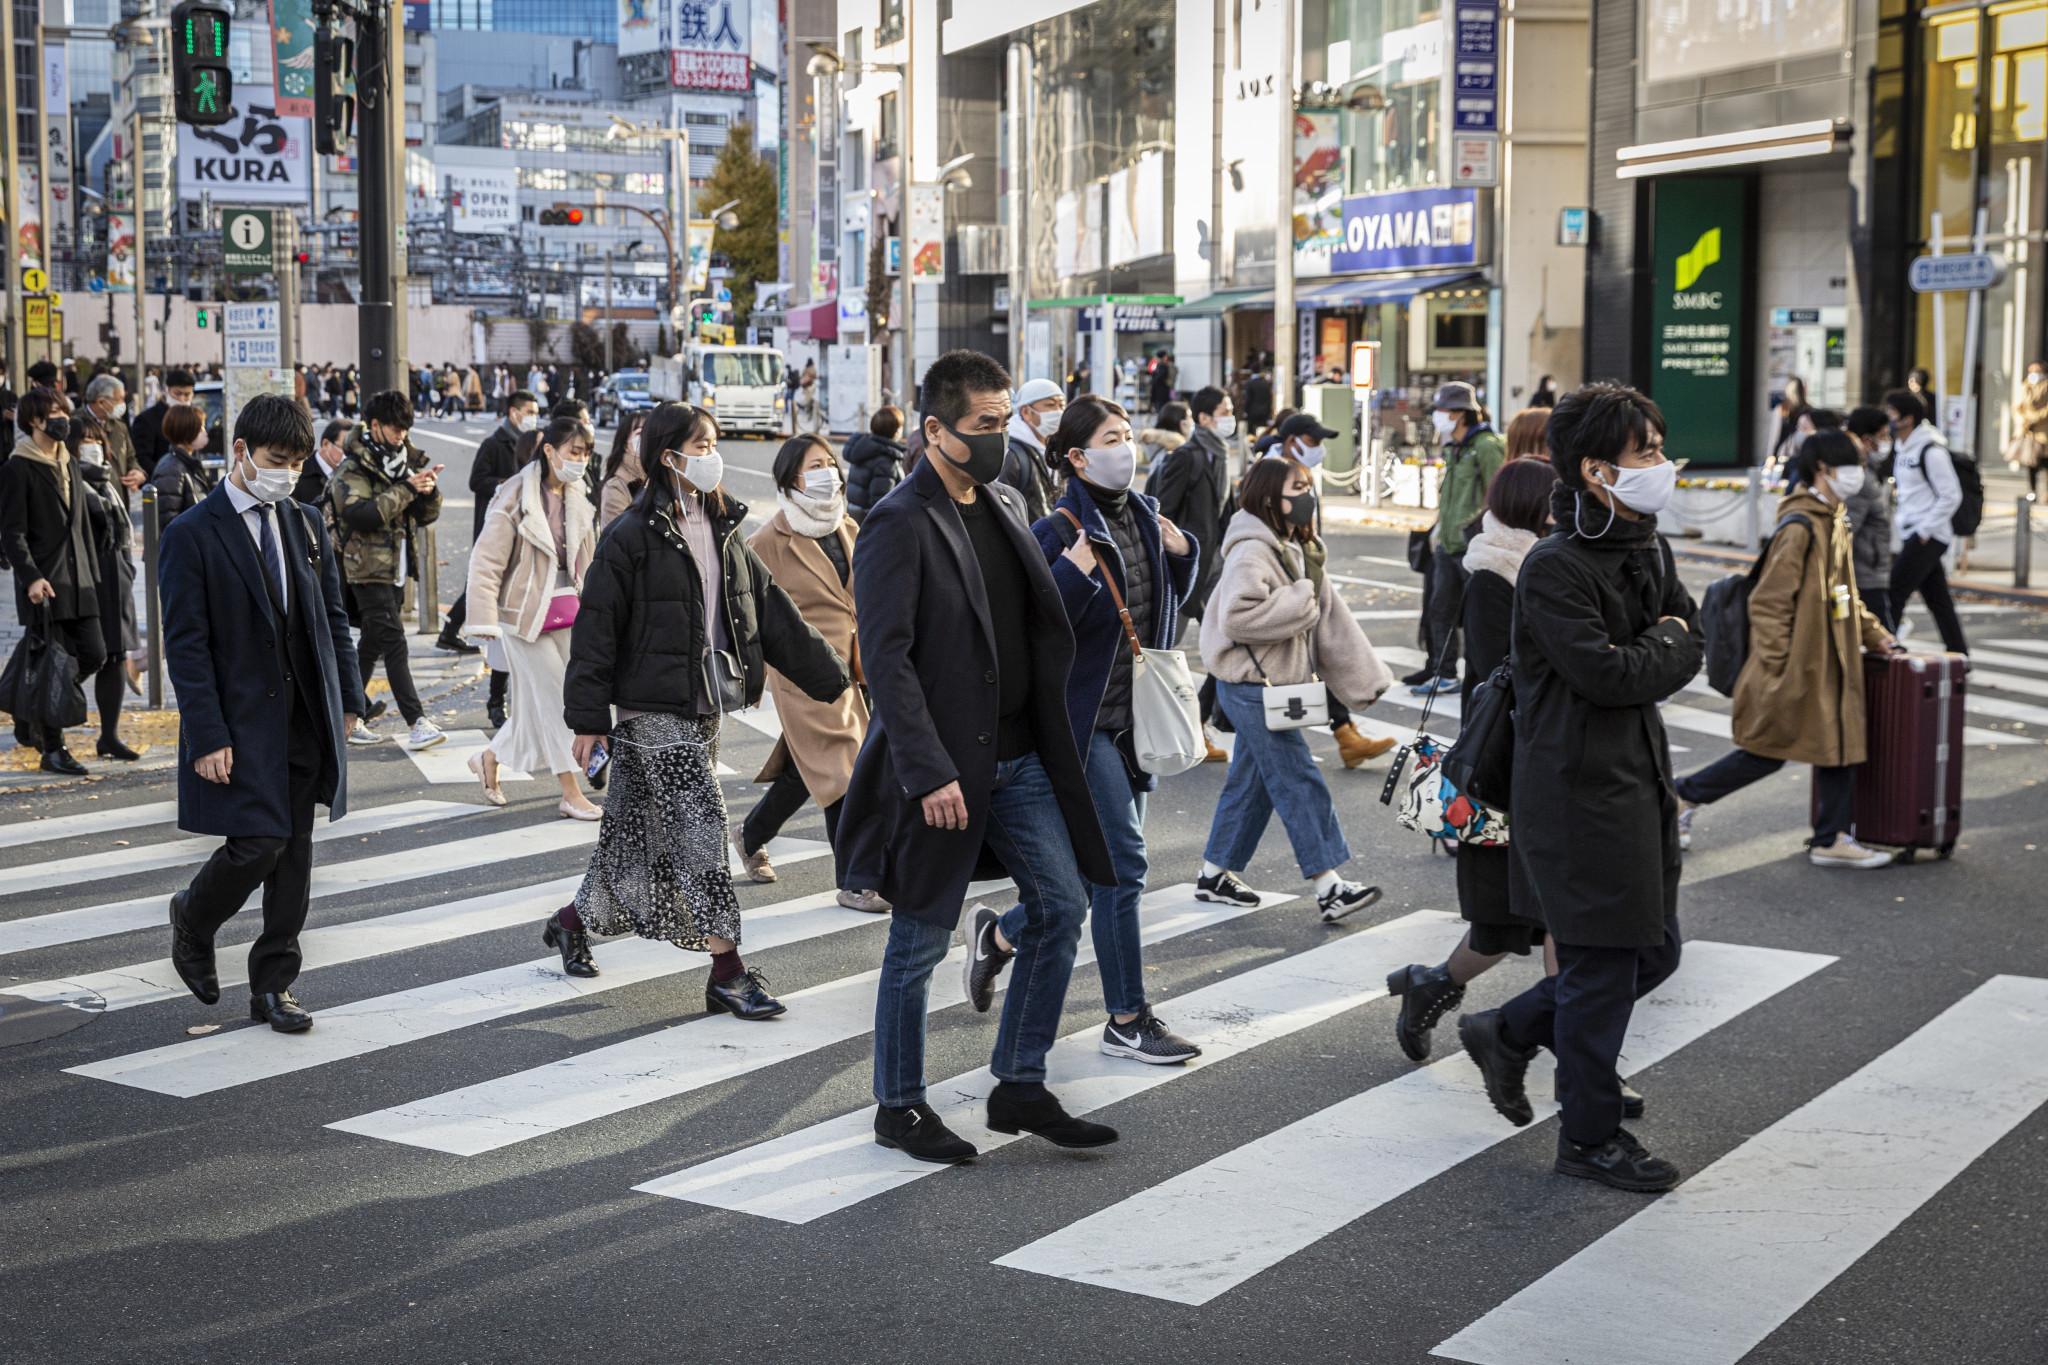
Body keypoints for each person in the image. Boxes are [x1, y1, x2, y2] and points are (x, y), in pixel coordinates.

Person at [837, 348, 1117, 1165]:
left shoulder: (998, 501)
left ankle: (1018, 1081)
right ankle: (899, 1104)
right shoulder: (897, 520)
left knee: (1064, 905)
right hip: (947, 769)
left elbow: (1014, 624)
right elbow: (884, 660)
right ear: (935, 429)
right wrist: (927, 770)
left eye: (1005, 421)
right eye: (985, 425)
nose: (1001, 437)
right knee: (918, 942)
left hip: (1022, 756)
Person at [1456, 381, 1700, 1194]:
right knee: (1601, 965)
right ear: (1598, 470)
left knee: (1653, 949)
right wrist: (1656, 646)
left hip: (1638, 777)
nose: (1662, 464)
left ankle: (1511, 1025)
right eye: (1648, 452)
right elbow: (1607, 671)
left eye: (1660, 446)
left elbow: (1687, 640)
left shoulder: (1645, 545)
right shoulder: (1554, 567)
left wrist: (1657, 647)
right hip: (1574, 787)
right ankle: (1588, 1137)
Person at [548, 402, 850, 1018]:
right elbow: (596, 630)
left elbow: (769, 609)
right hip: (649, 712)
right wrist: (586, 720)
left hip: (705, 702)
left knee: (630, 839)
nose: (715, 456)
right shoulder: (630, 536)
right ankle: (727, 971)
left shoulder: (724, 527)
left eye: (714, 444)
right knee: (701, 827)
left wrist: (832, 678)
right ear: (669, 456)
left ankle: (571, 920)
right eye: (703, 445)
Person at [160, 395, 366, 1034]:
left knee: (295, 855)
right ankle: (193, 915)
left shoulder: (303, 522)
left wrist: (350, 699)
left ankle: (274, 986)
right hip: (241, 718)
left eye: (300, 462)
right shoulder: (191, 533)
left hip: (305, 715)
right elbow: (185, 645)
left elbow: (332, 617)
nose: (290, 473)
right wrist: (207, 733)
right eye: (279, 460)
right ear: (242, 451)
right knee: (260, 842)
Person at [1011, 395, 1203, 1063]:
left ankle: (1002, 936)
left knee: (1099, 870)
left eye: (1128, 435)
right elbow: (1026, 635)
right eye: (1112, 438)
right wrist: (1070, 577)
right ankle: (1127, 1017)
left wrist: (1183, 556)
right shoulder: (1055, 531)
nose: (1127, 449)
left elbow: (1166, 606)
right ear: (1076, 456)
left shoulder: (1147, 514)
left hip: (1134, 723)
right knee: (1123, 867)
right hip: (1082, 723)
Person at [1387, 460, 1580, 1060]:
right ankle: (1432, 985)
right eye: (1550, 498)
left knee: (1557, 921)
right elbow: (1509, 672)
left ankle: (1580, 1055)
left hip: (1545, 762)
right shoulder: (1496, 574)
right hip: (1504, 768)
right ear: (1530, 505)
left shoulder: (1543, 562)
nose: (1559, 508)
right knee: (1500, 928)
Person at [1674, 431, 1903, 868]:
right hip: (1799, 665)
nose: (1858, 472)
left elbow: (1842, 591)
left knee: (1838, 745)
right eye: (1851, 464)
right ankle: (1684, 795)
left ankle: (1829, 837)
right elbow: (1769, 602)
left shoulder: (1830, 518)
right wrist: (1777, 664)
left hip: (1824, 660)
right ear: (1823, 469)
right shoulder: (1801, 526)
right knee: (1768, 751)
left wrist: (1874, 634)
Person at [1194, 454, 1393, 923]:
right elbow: (1237, 617)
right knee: (1298, 777)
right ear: (1269, 499)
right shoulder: (1252, 550)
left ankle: (1213, 874)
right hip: (1250, 686)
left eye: (1308, 486)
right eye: (1297, 489)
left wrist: (1364, 681)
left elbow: (1333, 620)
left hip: (1266, 685)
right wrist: (1300, 599)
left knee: (1254, 783)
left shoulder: (1293, 545)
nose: (1308, 495)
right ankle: (1329, 886)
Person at [737, 434, 888, 912]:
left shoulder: (847, 525)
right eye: (814, 466)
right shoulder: (767, 541)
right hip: (803, 672)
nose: (828, 473)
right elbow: (747, 611)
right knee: (845, 769)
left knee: (813, 769)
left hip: (855, 665)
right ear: (790, 479)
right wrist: (752, 674)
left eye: (829, 463)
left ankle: (751, 833)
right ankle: (855, 880)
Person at [462, 413, 603, 820]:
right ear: (549, 450)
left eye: (587, 452)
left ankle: (489, 757)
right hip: (522, 617)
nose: (581, 459)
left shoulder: (578, 496)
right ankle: (570, 791)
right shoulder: (514, 495)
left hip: (568, 610)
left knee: (533, 710)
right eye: (574, 451)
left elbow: (588, 561)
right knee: (560, 698)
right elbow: (486, 561)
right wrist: (483, 622)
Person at [328, 390, 447, 751]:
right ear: (375, 425)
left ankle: (348, 712)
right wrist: (408, 488)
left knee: (372, 643)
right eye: (395, 430)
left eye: (404, 431)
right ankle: (417, 721)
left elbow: (426, 516)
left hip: (396, 567)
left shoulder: (404, 461)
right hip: (365, 568)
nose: (401, 437)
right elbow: (362, 513)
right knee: (394, 641)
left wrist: (427, 490)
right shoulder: (353, 467)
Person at [1, 390, 110, 775]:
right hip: (44, 582)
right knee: (51, 664)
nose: (63, 418)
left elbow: (78, 522)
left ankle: (32, 707)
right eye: (54, 413)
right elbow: (12, 533)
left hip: (80, 578)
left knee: (94, 653)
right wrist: (30, 577)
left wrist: (94, 571)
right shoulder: (19, 466)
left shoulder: (69, 462)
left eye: (64, 411)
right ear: (34, 420)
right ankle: (53, 748)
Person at [1410, 381, 1506, 696]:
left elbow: (1495, 495)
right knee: (1440, 608)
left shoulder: (1487, 446)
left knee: (1479, 615)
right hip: (1447, 543)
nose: (1438, 416)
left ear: (1460, 414)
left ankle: (1485, 676)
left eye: (1443, 410)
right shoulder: (1452, 448)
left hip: (1472, 545)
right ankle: (1443, 671)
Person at [439, 389, 538, 663]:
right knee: (483, 579)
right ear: (514, 412)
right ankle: (451, 630)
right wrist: (505, 485)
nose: (534, 418)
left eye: (536, 413)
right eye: (530, 412)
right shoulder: (495, 443)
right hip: (492, 520)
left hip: (520, 520)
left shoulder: (529, 442)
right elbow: (476, 480)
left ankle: (451, 630)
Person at [72, 408, 144, 758]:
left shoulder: (106, 479)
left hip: (116, 573)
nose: (93, 448)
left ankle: (109, 735)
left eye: (97, 441)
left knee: (115, 655)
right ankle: (38, 715)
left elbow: (122, 527)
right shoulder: (69, 481)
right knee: (87, 654)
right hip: (87, 577)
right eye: (85, 442)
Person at [1883, 388, 1968, 655]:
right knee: (1938, 600)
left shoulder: (1931, 450)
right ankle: (1960, 655)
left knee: (1894, 592)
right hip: (1914, 531)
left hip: (1928, 535)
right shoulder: (1901, 446)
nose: (1888, 420)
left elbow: (1951, 495)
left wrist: (1925, 529)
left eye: (1892, 414)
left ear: (1908, 418)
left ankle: (1886, 650)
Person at [1842, 406, 1897, 630]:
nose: (1887, 441)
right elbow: (1848, 528)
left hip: (1870, 569)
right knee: (1884, 641)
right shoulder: (1861, 479)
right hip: (1864, 572)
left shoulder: (1869, 473)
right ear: (1866, 440)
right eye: (1883, 435)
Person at [1001, 377, 1065, 522]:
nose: (1058, 411)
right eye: (1050, 405)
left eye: (1061, 405)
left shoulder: (1056, 449)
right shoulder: (1012, 455)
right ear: (1026, 412)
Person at [148, 405, 215, 525]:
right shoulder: (171, 469)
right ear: (188, 431)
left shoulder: (189, 463)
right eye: (200, 429)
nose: (205, 433)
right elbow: (169, 519)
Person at [844, 405, 906, 519]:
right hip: (872, 522)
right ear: (896, 430)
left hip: (854, 515)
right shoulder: (886, 460)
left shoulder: (862, 449)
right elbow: (881, 502)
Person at [130, 367, 195, 471]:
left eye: (187, 395)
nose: (182, 399)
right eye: (177, 394)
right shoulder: (146, 420)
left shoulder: (193, 418)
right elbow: (142, 458)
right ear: (167, 390)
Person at [597, 411, 648, 529]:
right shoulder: (616, 487)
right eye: (640, 433)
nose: (646, 439)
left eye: (650, 433)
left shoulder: (658, 478)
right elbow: (623, 537)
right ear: (625, 444)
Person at [292, 419, 352, 507]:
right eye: (344, 449)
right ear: (326, 444)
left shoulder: (353, 473)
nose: (348, 455)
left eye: (352, 450)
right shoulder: (299, 472)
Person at [2012, 360, 2048, 496]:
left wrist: (2036, 417)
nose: (2034, 374)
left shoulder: (2046, 386)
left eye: (2037, 371)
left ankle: (2046, 493)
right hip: (2028, 431)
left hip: (2043, 431)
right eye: (2031, 371)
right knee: (2030, 463)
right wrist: (2024, 419)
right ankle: (2032, 491)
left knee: (2045, 463)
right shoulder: (2025, 386)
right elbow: (2018, 406)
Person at [1138, 400, 1189, 481]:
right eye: (1189, 417)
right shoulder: (1173, 452)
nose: (1192, 422)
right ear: (1181, 423)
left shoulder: (1160, 446)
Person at [793, 359, 825, 436]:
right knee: (809, 398)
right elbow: (814, 375)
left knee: (810, 399)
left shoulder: (805, 368)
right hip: (810, 385)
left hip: (805, 386)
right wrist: (818, 377)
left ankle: (807, 408)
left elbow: (802, 375)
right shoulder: (812, 368)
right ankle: (806, 407)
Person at [1147, 350, 1176, 414]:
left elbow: (1159, 378)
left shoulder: (1162, 366)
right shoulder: (1162, 365)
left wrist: (1153, 381)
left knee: (1161, 409)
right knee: (1163, 408)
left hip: (1161, 393)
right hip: (1164, 392)